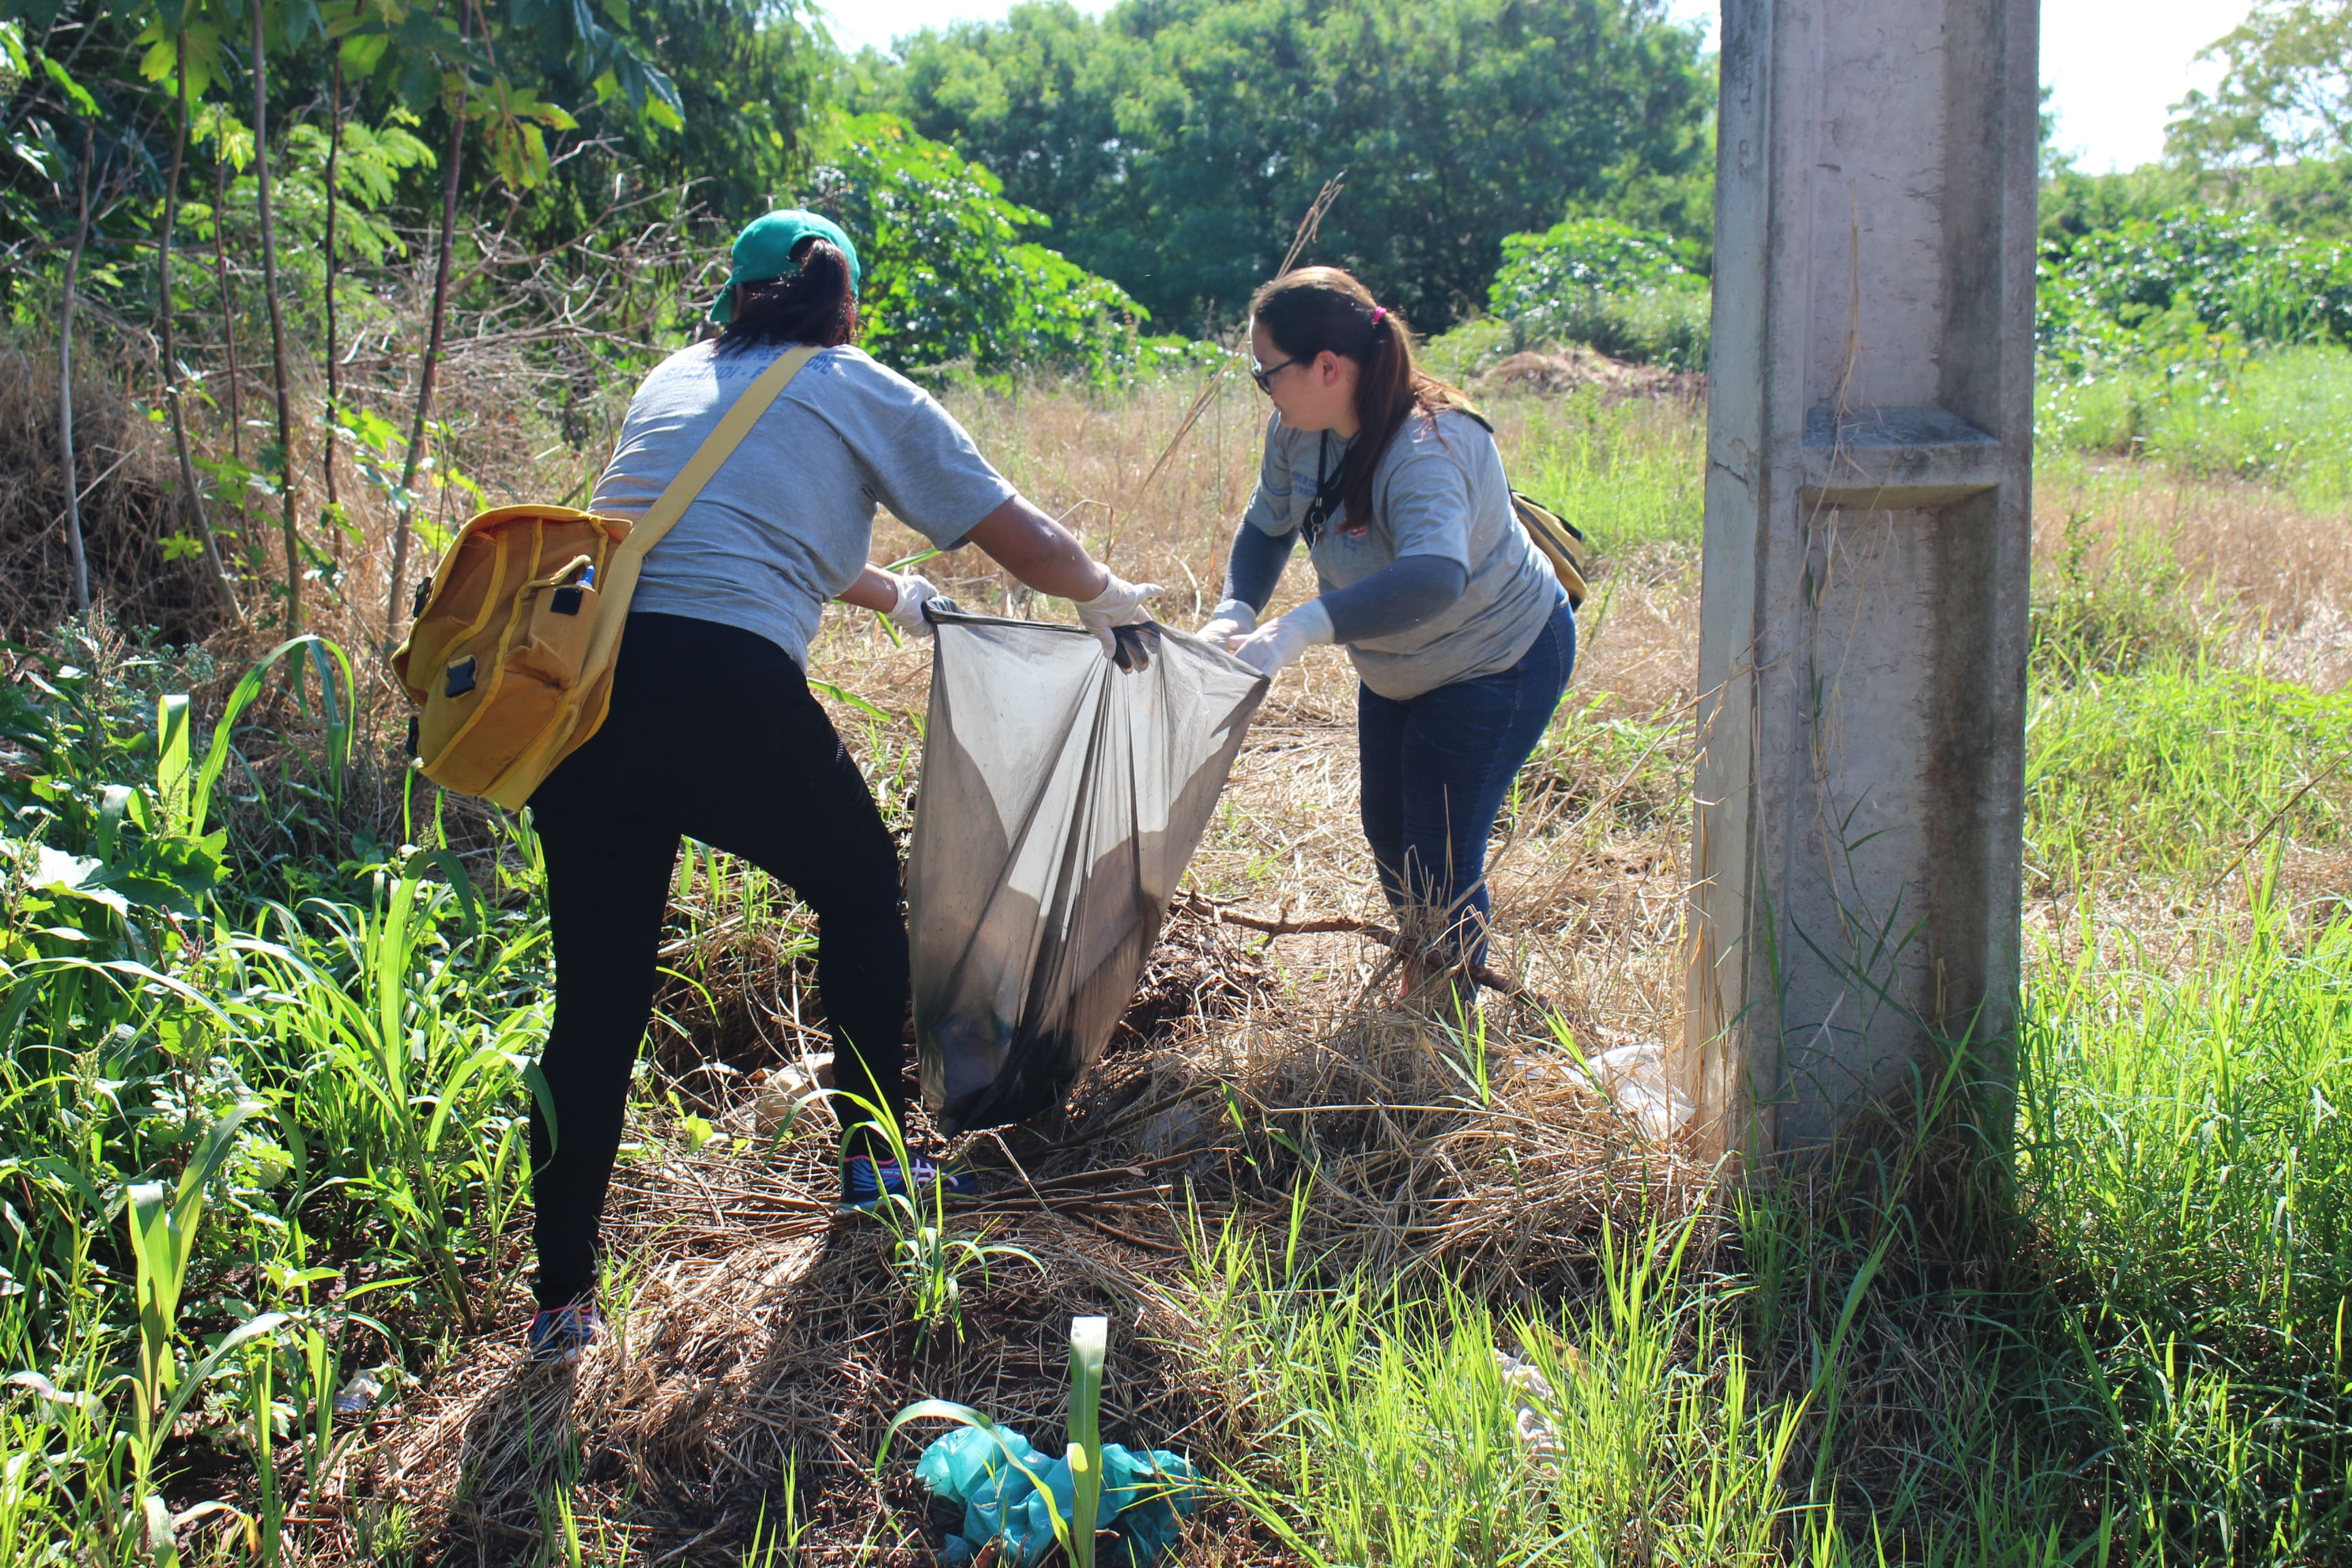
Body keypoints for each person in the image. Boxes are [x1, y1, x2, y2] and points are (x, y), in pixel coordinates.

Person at [521, 210, 1157, 1365]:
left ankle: (562, 1300)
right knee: (864, 894)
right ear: (842, 301)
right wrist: (1105, 593)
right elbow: (1021, 532)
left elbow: (726, 520)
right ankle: (871, 1162)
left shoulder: (676, 373)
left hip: (587, 700)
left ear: (735, 296)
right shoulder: (854, 381)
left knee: (597, 1004)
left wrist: (892, 597)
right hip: (723, 689)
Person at [1200, 265, 1574, 1000]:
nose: (1262, 386)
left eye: (1266, 371)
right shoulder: (1299, 429)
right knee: (1388, 829)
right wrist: (1235, 611)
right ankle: (1425, 970)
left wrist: (1303, 626)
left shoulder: (1426, 446)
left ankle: (1443, 1021)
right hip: (1399, 664)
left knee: (1439, 848)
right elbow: (1267, 525)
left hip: (1496, 661)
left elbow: (1436, 577)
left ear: (1329, 367)